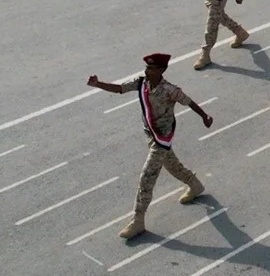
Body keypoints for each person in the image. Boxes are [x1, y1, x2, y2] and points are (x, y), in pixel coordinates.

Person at [86, 52, 213, 239]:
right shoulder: (142, 82)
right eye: (146, 67)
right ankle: (194, 185)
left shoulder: (170, 90)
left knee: (147, 177)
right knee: (172, 166)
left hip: (162, 138)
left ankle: (138, 220)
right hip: (150, 134)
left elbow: (189, 102)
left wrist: (204, 116)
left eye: (151, 68)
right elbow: (120, 88)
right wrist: (98, 84)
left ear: (161, 70)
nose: (146, 70)